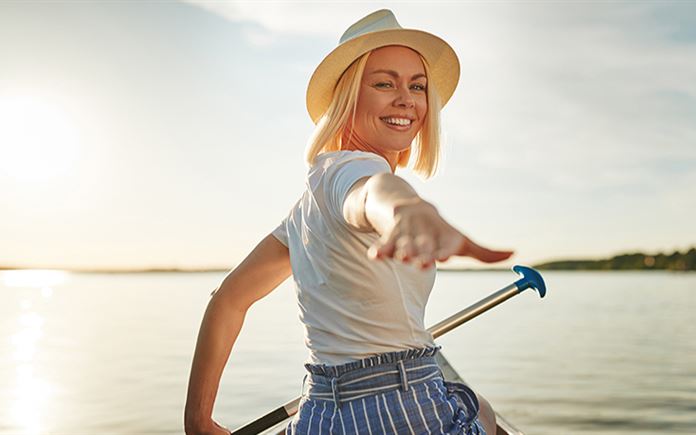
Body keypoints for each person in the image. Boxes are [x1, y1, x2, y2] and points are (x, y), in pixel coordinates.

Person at [184, 9, 513, 435]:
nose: (406, 99)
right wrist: (406, 213)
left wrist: (198, 421)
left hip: (320, 413)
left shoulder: (306, 206)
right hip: (403, 409)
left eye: (417, 85)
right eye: (383, 83)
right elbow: (372, 194)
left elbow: (227, 300)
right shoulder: (353, 173)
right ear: (348, 98)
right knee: (481, 411)